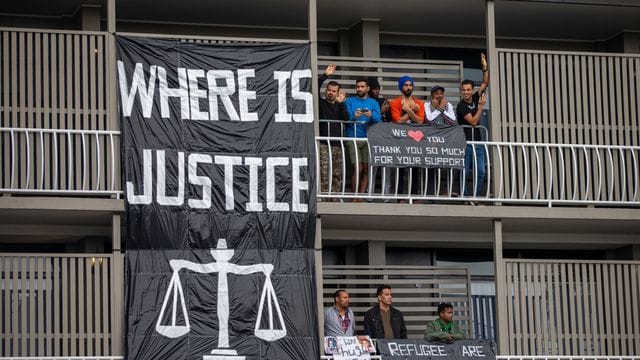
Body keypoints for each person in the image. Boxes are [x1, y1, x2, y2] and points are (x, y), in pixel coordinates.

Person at [456, 53, 489, 198]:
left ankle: (475, 197)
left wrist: (485, 68)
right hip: (466, 143)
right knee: (464, 170)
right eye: (464, 90)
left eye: (469, 89)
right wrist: (481, 107)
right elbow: (474, 122)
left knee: (481, 171)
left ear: (471, 90)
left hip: (478, 143)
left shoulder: (475, 97)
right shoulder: (461, 106)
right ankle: (465, 197)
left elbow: (485, 83)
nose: (466, 92)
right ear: (461, 91)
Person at [344, 78, 382, 200]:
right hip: (353, 138)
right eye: (358, 87)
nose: (359, 89)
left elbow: (378, 119)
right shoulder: (349, 101)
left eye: (362, 87)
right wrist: (354, 116)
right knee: (357, 167)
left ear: (367, 88)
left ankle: (360, 195)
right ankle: (354, 196)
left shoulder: (373, 102)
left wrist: (371, 116)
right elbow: (346, 118)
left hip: (368, 138)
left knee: (366, 168)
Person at [389, 76, 425, 200]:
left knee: (415, 169)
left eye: (410, 85)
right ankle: (400, 197)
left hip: (415, 140)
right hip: (400, 139)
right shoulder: (394, 102)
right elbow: (398, 121)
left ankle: (414, 197)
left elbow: (420, 122)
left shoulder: (419, 103)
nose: (409, 87)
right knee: (400, 169)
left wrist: (407, 111)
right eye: (406, 85)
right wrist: (412, 111)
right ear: (401, 87)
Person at [318, 64, 348, 197]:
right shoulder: (321, 103)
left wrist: (341, 103)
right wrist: (325, 75)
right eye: (329, 90)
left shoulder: (340, 105)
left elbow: (346, 118)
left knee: (337, 172)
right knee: (324, 172)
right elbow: (314, 88)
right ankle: (324, 197)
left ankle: (335, 196)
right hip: (324, 143)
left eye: (333, 91)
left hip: (337, 143)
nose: (330, 92)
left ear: (337, 93)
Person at [424, 86, 457, 196]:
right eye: (436, 93)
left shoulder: (448, 105)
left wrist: (441, 108)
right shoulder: (427, 105)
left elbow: (453, 122)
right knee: (432, 168)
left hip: (446, 141)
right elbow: (430, 120)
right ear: (432, 95)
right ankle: (430, 194)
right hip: (431, 142)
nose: (439, 96)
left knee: (448, 167)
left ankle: (446, 191)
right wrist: (440, 108)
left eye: (441, 93)